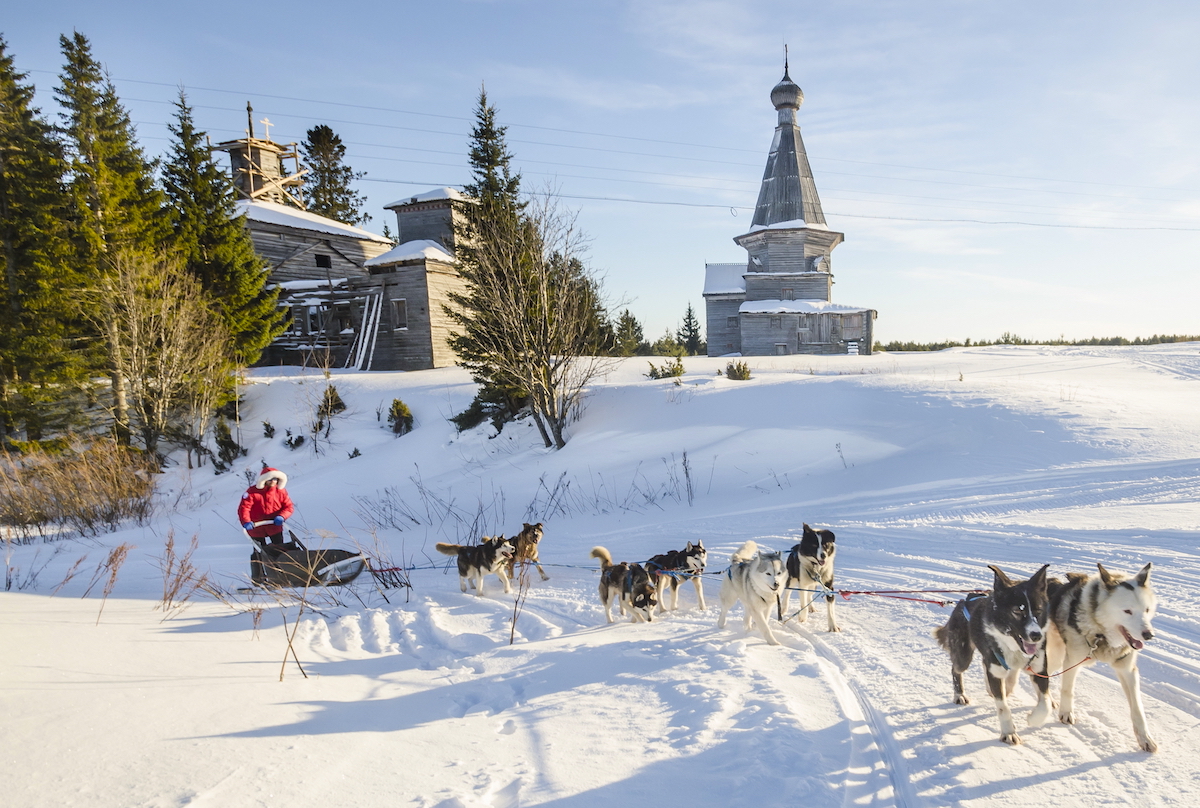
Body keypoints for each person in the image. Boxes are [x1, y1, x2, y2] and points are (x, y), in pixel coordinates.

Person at [238, 468, 296, 582]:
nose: (273, 481)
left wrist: (282, 516)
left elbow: (288, 507)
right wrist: (246, 521)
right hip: (256, 527)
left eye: (276, 479)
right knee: (258, 552)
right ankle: (258, 578)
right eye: (271, 479)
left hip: (274, 526)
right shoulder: (252, 492)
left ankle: (281, 576)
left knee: (280, 549)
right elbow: (244, 508)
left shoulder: (281, 492)